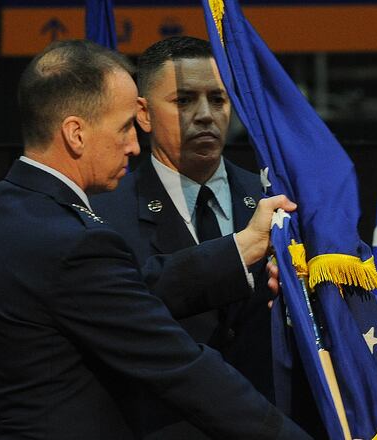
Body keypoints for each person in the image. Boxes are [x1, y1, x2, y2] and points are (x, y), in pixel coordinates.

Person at [0, 39, 308, 440]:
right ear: (75, 134)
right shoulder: (72, 242)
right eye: (123, 129)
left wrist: (240, 249)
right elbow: (179, 364)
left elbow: (136, 287)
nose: (134, 145)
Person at [91, 36, 326, 439]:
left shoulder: (281, 203)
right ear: (143, 115)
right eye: (184, 101)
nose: (205, 115)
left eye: (218, 100)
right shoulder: (104, 217)